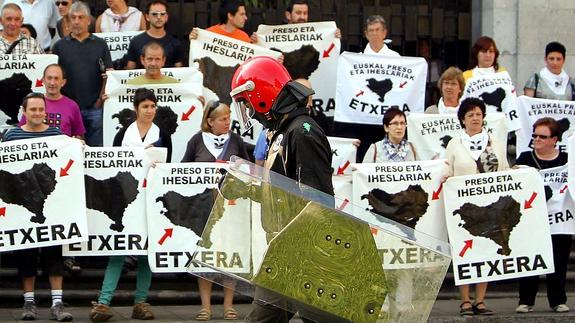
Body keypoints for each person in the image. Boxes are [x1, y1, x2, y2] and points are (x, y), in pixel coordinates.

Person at [231, 57, 333, 323]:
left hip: (301, 252)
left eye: (246, 102)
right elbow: (283, 191)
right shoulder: (283, 131)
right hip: (287, 247)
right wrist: (245, 189)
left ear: (262, 95)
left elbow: (318, 200)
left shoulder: (302, 132)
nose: (248, 110)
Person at [90, 88, 170, 322]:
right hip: (124, 200)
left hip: (150, 199)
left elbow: (168, 169)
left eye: (153, 106)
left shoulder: (163, 134)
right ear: (136, 109)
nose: (150, 110)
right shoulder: (123, 134)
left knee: (146, 252)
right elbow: (112, 167)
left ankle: (141, 302)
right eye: (145, 106)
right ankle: (104, 302)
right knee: (118, 250)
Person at [2, 92, 73, 322]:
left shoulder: (56, 135)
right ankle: (29, 302)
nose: (38, 113)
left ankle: (57, 303)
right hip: (22, 208)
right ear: (24, 111)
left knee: (54, 254)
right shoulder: (11, 136)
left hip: (51, 206)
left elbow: (68, 162)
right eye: (33, 109)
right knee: (26, 255)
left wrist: (77, 147)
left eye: (41, 110)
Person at [181, 100, 249, 321]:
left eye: (229, 118)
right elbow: (182, 170)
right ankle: (206, 307)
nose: (227, 122)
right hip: (203, 209)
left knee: (228, 257)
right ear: (210, 122)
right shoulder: (196, 141)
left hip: (230, 208)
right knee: (205, 258)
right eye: (223, 119)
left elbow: (248, 169)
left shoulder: (236, 140)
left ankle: (229, 305)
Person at [445, 97, 509, 316]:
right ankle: (465, 300)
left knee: (486, 250)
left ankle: (480, 300)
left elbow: (504, 171)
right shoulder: (454, 144)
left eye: (478, 114)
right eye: (470, 114)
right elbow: (446, 171)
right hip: (464, 209)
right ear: (462, 119)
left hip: (490, 207)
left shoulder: (495, 143)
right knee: (466, 252)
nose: (475, 118)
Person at [515, 117, 571, 313]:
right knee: (530, 256)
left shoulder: (567, 160)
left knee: (559, 259)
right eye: (534, 135)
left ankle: (558, 300)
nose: (537, 139)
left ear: (554, 139)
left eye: (542, 136)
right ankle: (526, 300)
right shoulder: (524, 158)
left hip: (559, 219)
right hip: (531, 218)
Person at [52, 1, 112, 147]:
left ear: (88, 21)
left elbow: (108, 74)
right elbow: (54, 76)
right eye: (73, 17)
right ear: (68, 21)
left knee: (95, 149)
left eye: (80, 17)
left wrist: (100, 99)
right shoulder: (59, 46)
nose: (77, 21)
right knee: (70, 150)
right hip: (68, 107)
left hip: (94, 107)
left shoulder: (100, 44)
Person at [20, 64, 85, 139]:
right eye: (49, 78)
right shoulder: (33, 102)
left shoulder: (72, 106)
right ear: (43, 80)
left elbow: (79, 136)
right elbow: (21, 131)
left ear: (63, 82)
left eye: (56, 78)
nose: (52, 83)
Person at [125, 0, 183, 69]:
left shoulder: (175, 43)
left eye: (162, 14)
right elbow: (129, 72)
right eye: (154, 14)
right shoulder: (136, 41)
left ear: (166, 17)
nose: (159, 17)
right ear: (147, 17)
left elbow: (179, 73)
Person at [250, 0, 341, 43]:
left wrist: (334, 37)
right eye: (298, 13)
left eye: (305, 13)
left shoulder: (316, 34)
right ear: (288, 15)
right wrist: (257, 42)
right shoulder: (275, 36)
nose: (302, 17)